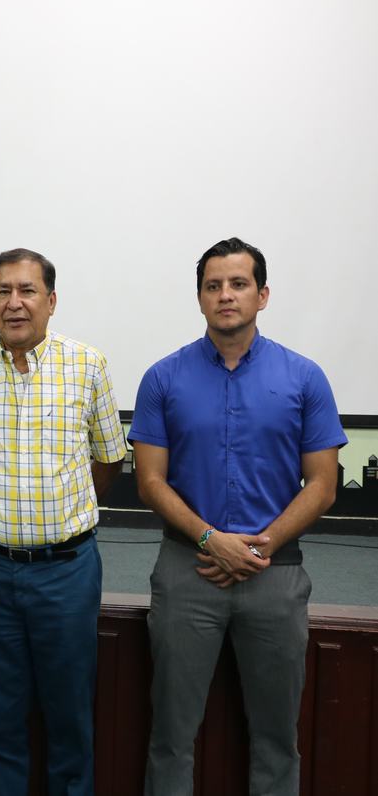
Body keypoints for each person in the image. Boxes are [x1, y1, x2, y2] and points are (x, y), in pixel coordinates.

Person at [130, 237, 345, 796]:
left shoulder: (305, 378)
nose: (226, 295)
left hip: (275, 576)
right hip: (187, 572)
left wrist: (259, 545)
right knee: (171, 736)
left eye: (238, 283)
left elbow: (323, 485)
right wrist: (210, 537)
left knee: (277, 740)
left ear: (263, 294)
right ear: (200, 298)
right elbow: (150, 481)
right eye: (213, 286)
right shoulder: (163, 378)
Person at [0, 248, 126, 796]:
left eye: (27, 291)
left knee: (69, 719)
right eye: (2, 291)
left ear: (51, 301)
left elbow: (108, 462)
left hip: (66, 572)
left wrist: (58, 511)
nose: (14, 303)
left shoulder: (88, 365)